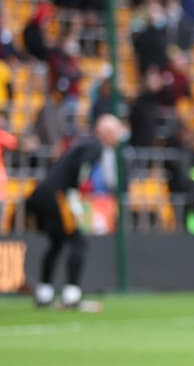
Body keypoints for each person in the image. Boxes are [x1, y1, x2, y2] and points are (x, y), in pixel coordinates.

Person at [24, 114, 125, 308]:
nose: (118, 138)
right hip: (57, 195)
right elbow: (82, 170)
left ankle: (44, 294)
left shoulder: (83, 143)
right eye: (116, 133)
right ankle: (71, 295)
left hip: (41, 193)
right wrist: (79, 192)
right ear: (106, 132)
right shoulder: (95, 146)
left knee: (57, 243)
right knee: (78, 241)